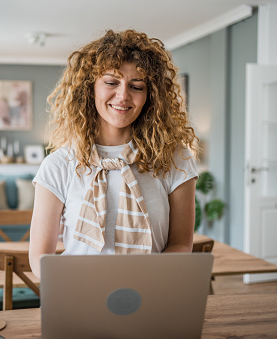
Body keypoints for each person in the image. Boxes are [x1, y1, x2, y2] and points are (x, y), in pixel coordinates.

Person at [29, 29, 199, 278]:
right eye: (111, 82)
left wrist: (144, 279)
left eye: (136, 86)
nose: (123, 96)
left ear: (149, 96)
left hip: (152, 292)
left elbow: (182, 243)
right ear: (90, 89)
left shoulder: (175, 159)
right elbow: (40, 257)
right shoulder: (58, 165)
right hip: (79, 296)